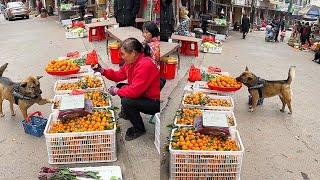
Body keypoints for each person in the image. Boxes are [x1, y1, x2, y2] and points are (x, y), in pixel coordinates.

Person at [92, 38, 160, 141]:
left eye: (123, 54)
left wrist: (116, 91)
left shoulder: (145, 65)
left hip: (154, 101)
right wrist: (102, 71)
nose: (122, 57)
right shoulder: (131, 62)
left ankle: (139, 128)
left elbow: (134, 91)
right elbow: (118, 75)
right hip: (144, 93)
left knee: (127, 101)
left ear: (133, 53)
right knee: (121, 86)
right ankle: (129, 113)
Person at [142, 22, 167, 90]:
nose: (144, 35)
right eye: (143, 32)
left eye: (146, 32)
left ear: (153, 32)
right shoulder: (153, 41)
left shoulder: (151, 46)